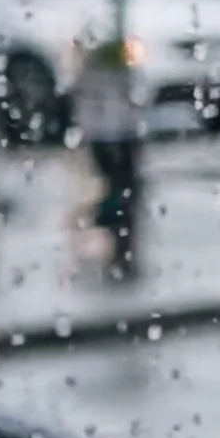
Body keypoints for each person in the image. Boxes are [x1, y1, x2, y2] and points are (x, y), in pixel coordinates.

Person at [73, 27, 149, 280]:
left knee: (119, 187)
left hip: (113, 135)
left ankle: (115, 233)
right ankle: (113, 230)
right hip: (118, 134)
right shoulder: (108, 72)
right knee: (121, 188)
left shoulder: (95, 73)